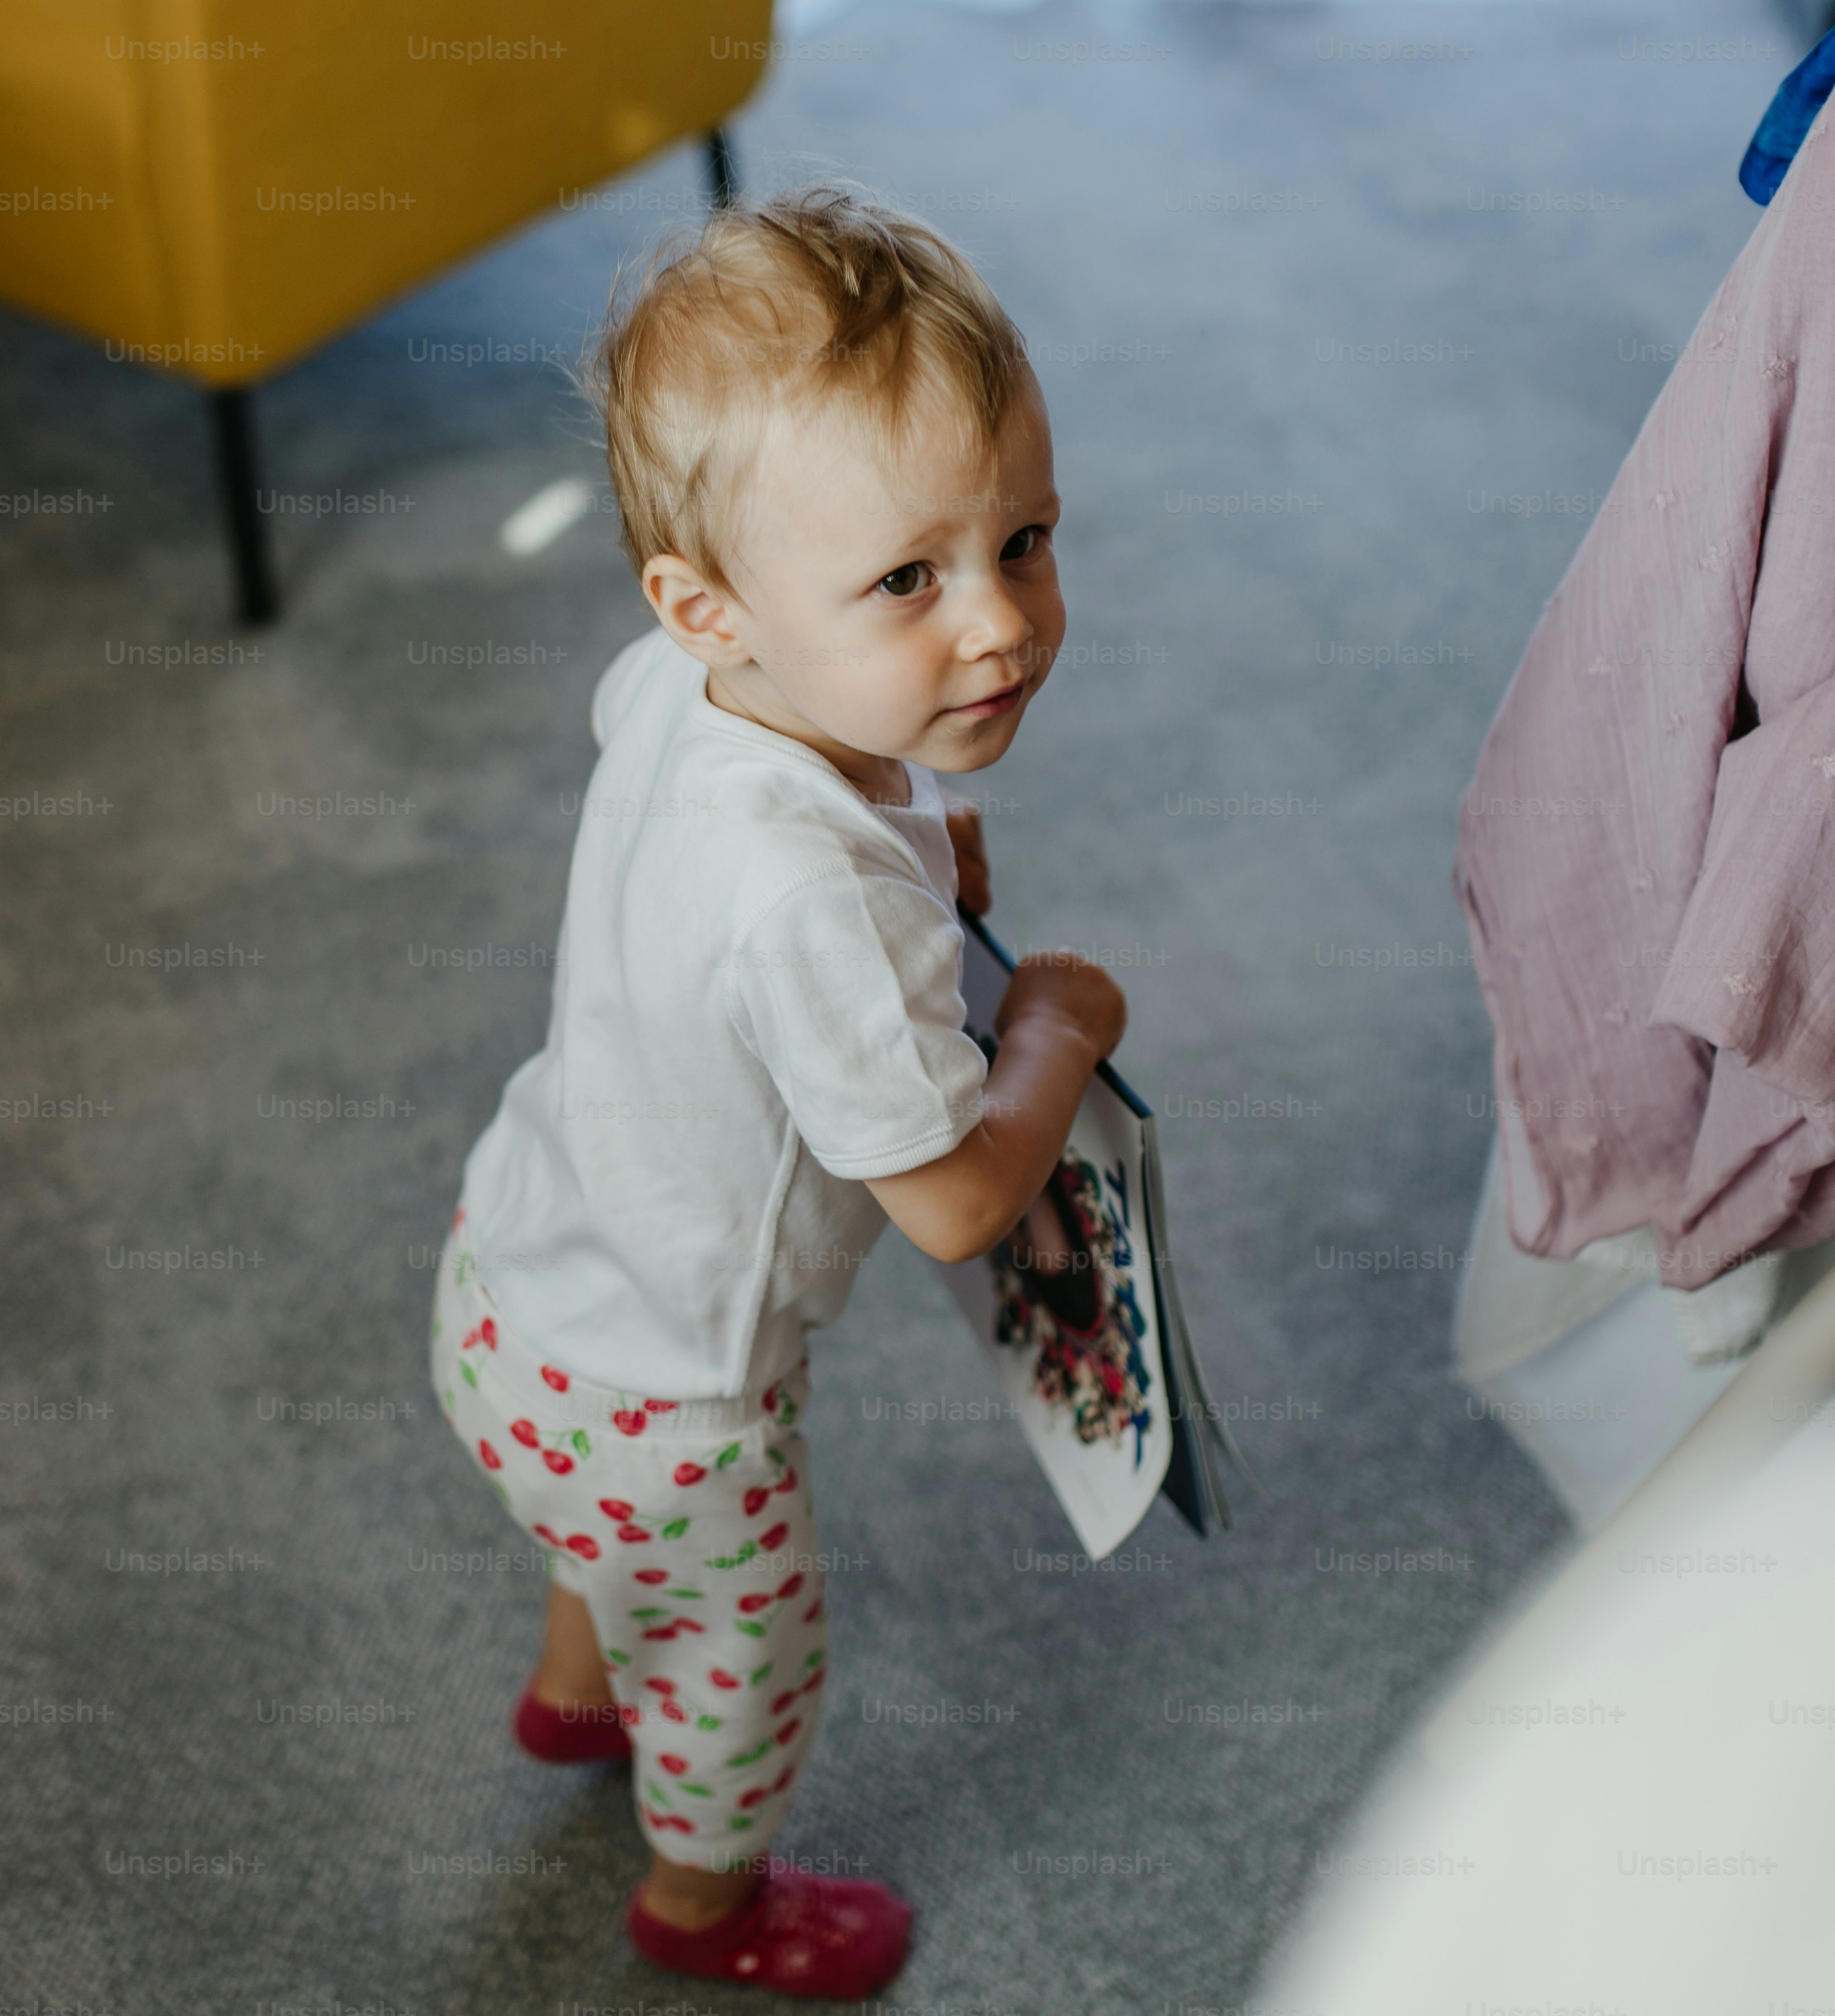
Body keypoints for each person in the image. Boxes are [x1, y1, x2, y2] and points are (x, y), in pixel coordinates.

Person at [429, 181, 1126, 1999]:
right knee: (749, 1657)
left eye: (1026, 540)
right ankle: (703, 1907)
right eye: (909, 578)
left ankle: (576, 1696)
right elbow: (958, 1200)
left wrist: (916, 864)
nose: (999, 627)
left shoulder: (680, 685)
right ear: (711, 601)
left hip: (512, 1276)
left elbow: (728, 875)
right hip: (677, 1406)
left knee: (596, 1552)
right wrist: (1049, 1027)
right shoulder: (812, 904)